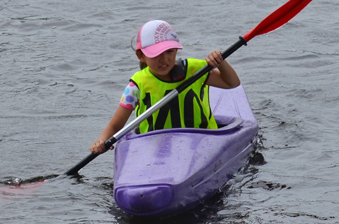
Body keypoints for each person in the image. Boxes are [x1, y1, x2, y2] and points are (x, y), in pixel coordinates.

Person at [90, 20, 240, 154]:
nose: (164, 59)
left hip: (201, 142)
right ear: (141, 56)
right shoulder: (136, 86)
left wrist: (220, 62)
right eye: (156, 54)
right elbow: (115, 125)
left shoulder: (194, 71)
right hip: (157, 149)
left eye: (169, 51)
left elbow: (232, 83)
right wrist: (102, 141)